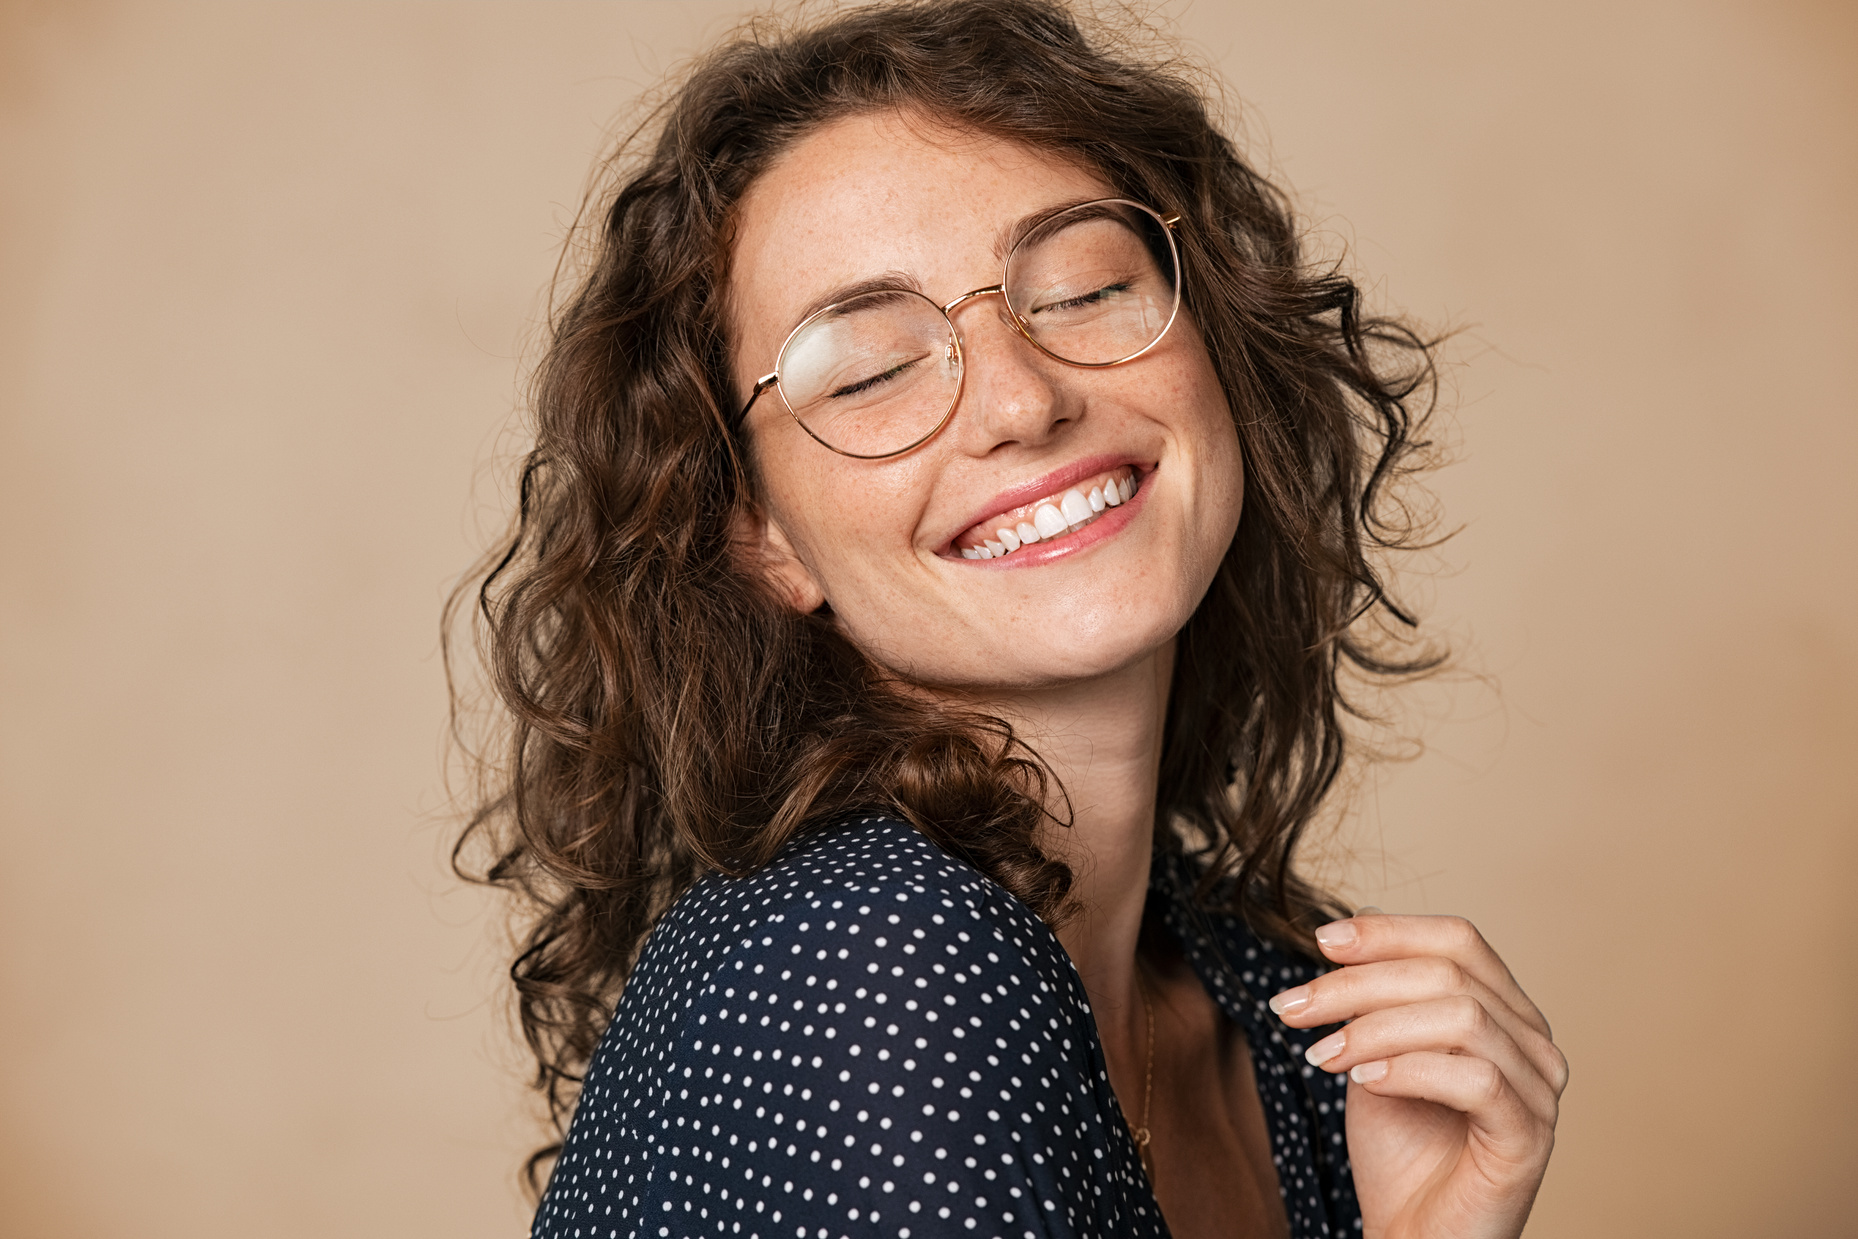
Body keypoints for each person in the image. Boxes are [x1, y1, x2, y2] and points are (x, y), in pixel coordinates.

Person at [451, 2, 1566, 1236]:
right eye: (869, 368)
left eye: (1084, 288)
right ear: (760, 536)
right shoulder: (868, 969)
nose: (1024, 401)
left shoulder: (1271, 1003)